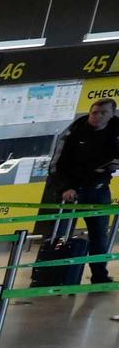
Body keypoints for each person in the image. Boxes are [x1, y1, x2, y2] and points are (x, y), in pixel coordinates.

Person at [44, 96, 118, 286]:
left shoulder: (116, 132)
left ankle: (99, 275)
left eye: (103, 113)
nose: (98, 117)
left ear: (112, 115)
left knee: (99, 235)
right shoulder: (74, 133)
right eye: (94, 113)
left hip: (98, 190)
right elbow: (56, 166)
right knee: (59, 234)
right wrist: (65, 187)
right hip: (72, 190)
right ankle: (51, 275)